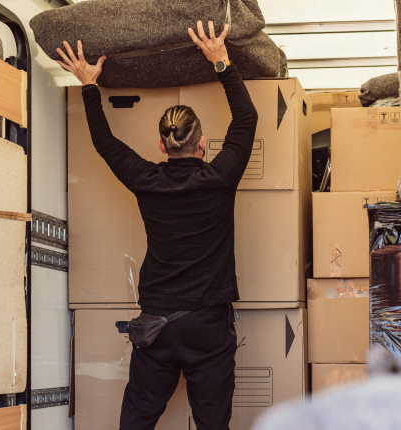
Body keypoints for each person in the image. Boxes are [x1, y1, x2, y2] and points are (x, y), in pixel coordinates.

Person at [57, 20, 258, 430]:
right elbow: (246, 117)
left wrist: (89, 85)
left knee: (137, 420)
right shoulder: (220, 177)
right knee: (213, 424)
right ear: (201, 144)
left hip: (157, 324)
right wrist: (221, 61)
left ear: (162, 145)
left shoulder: (146, 180)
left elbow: (105, 142)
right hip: (208, 324)